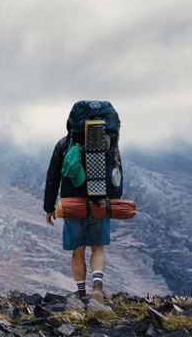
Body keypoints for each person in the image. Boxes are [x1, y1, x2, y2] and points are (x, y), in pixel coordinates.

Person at [44, 120, 112, 312]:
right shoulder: (107, 142)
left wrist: (49, 207)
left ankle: (82, 295)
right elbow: (116, 173)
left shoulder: (63, 144)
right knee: (97, 247)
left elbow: (53, 176)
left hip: (73, 204)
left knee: (78, 250)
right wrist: (112, 203)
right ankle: (97, 286)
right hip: (99, 201)